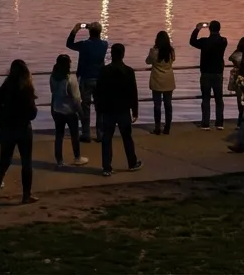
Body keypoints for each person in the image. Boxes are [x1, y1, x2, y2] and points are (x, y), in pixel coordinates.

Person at [0, 59, 39, 207]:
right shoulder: (26, 89)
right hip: (23, 128)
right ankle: (26, 195)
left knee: (3, 163)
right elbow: (32, 113)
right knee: (26, 162)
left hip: (8, 128)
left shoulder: (5, 87)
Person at [96, 44, 142, 176]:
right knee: (127, 137)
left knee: (107, 138)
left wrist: (99, 108)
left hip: (108, 109)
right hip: (123, 109)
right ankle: (132, 162)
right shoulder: (129, 71)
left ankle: (106, 167)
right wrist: (135, 110)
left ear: (111, 54)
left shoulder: (104, 71)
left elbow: (99, 91)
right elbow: (133, 92)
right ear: (123, 54)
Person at [65, 22, 109, 142]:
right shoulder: (105, 44)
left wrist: (76, 29)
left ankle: (86, 133)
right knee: (99, 107)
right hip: (100, 79)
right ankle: (100, 133)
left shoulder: (84, 45)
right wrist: (92, 28)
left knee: (85, 106)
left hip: (86, 78)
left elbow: (69, 44)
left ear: (89, 31)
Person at [49, 54, 87, 168]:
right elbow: (75, 99)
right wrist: (81, 113)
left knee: (59, 136)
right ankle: (77, 157)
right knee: (74, 135)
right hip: (70, 111)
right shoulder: (70, 79)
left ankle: (59, 160)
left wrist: (52, 108)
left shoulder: (52, 77)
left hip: (57, 109)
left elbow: (53, 93)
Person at [189, 21, 228, 130]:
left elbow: (192, 41)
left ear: (209, 29)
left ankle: (205, 123)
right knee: (219, 99)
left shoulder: (204, 42)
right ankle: (219, 123)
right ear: (219, 29)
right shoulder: (223, 41)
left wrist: (197, 28)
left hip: (206, 73)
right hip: (218, 73)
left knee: (206, 99)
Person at [145, 32, 176, 136]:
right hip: (168, 79)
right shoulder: (171, 51)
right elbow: (173, 60)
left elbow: (147, 61)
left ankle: (157, 128)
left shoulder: (154, 51)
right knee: (168, 104)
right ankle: (167, 128)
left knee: (157, 105)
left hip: (157, 79)